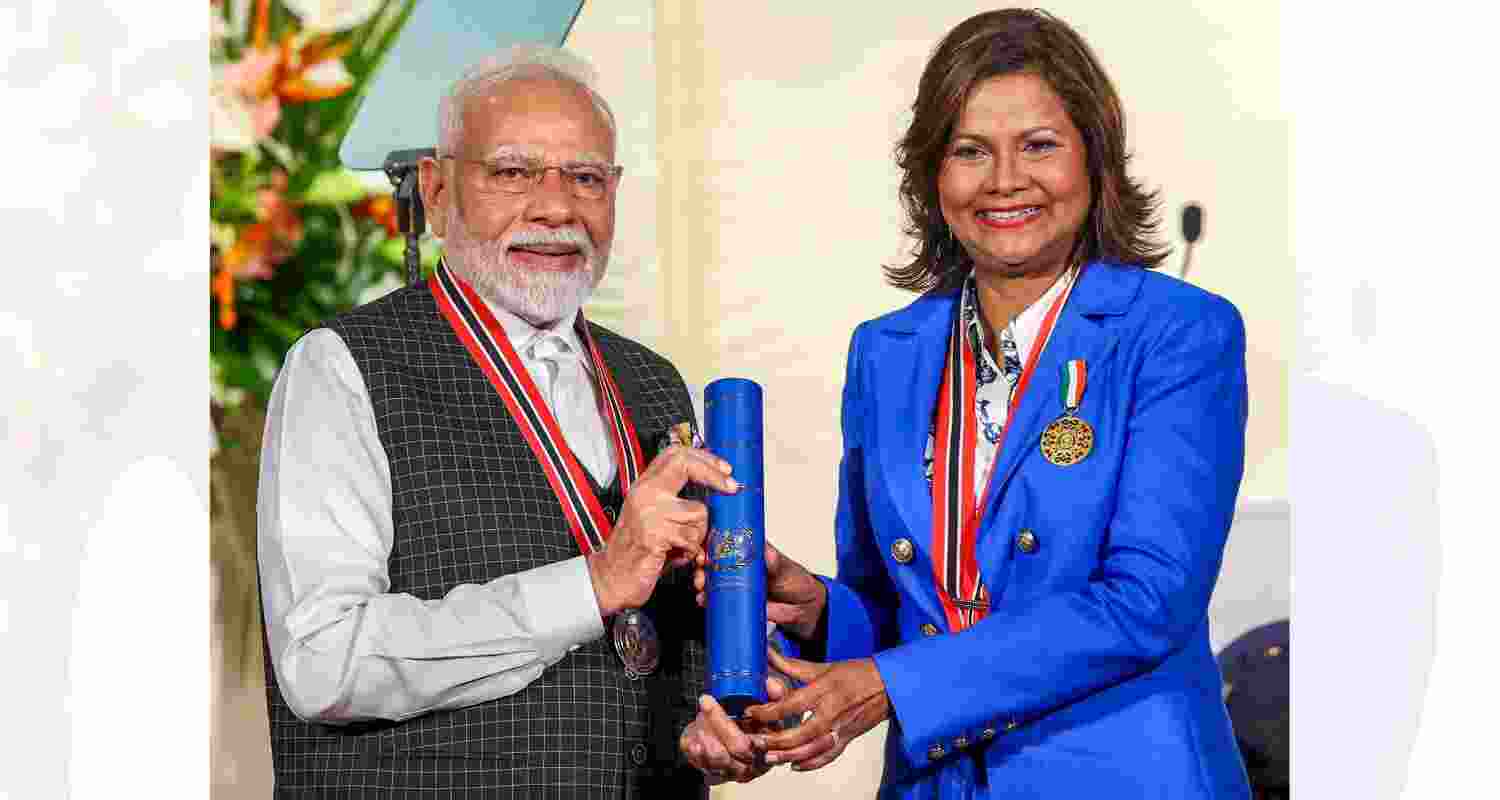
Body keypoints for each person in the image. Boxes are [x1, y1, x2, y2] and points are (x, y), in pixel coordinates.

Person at [681, 9, 1253, 797]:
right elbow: (898, 611)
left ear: (1096, 161)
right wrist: (815, 606)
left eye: (1040, 146)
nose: (1005, 180)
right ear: (932, 176)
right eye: (969, 151)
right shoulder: (887, 352)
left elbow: (1146, 603)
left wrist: (894, 688)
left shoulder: (1177, 332)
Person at [256, 44, 737, 798]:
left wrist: (713, 716)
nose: (555, 207)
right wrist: (592, 583)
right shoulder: (344, 365)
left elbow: (648, 656)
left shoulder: (653, 382)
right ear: (438, 192)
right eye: (513, 173)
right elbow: (324, 663)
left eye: (585, 177)